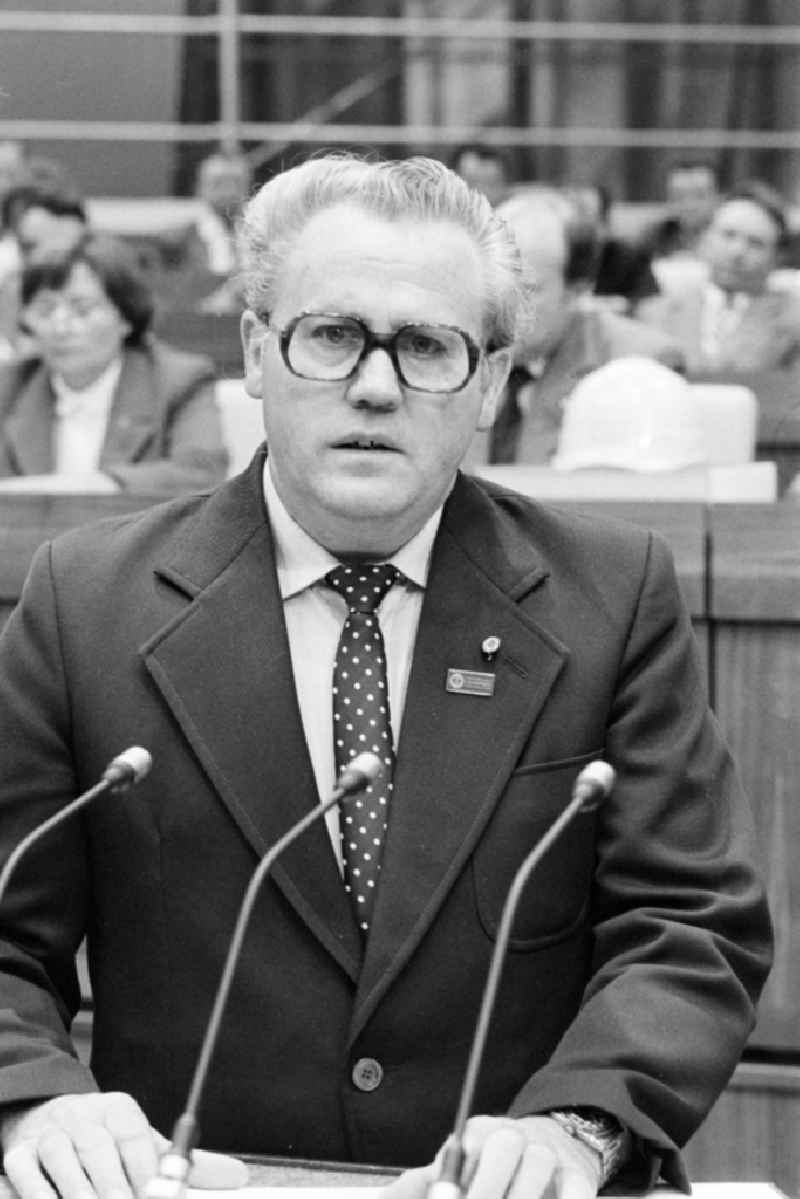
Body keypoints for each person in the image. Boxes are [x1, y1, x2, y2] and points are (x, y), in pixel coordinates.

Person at [0, 154, 771, 1199]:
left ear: (491, 380)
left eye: (424, 345)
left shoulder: (610, 593)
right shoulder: (86, 602)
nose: (373, 383)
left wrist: (578, 1126)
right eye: (330, 335)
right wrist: (37, 1096)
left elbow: (685, 920)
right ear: (255, 353)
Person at [0, 232, 227, 493]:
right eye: (45, 309)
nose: (60, 326)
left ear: (126, 317)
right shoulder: (9, 385)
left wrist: (94, 486)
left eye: (82, 309)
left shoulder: (180, 381)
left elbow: (201, 475)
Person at [478, 188, 685, 465]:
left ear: (577, 291)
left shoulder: (638, 368)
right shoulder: (450, 354)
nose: (500, 305)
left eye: (525, 289)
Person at [638, 180, 800, 372]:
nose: (737, 251)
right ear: (704, 238)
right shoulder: (656, 313)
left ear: (776, 257)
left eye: (755, 243)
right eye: (728, 235)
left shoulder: (793, 319)